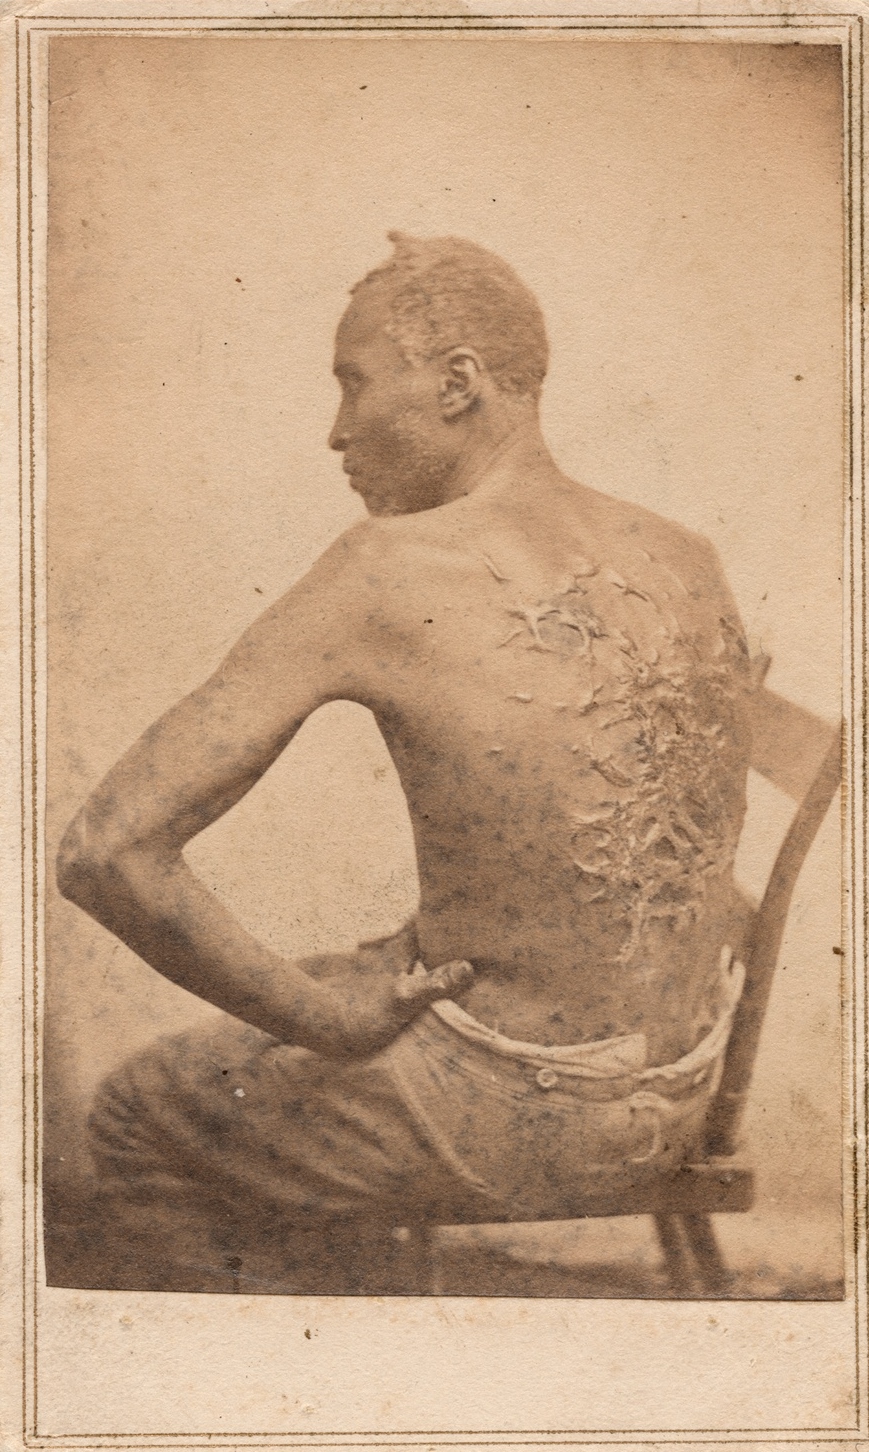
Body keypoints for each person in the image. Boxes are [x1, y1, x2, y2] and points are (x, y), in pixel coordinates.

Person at [56, 233, 754, 1293]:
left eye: (353, 383)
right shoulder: (682, 554)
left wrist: (327, 1022)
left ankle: (293, 1362)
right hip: (686, 1092)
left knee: (135, 1111)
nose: (336, 431)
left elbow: (103, 851)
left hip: (513, 1121)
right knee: (338, 982)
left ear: (457, 384)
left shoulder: (382, 568)